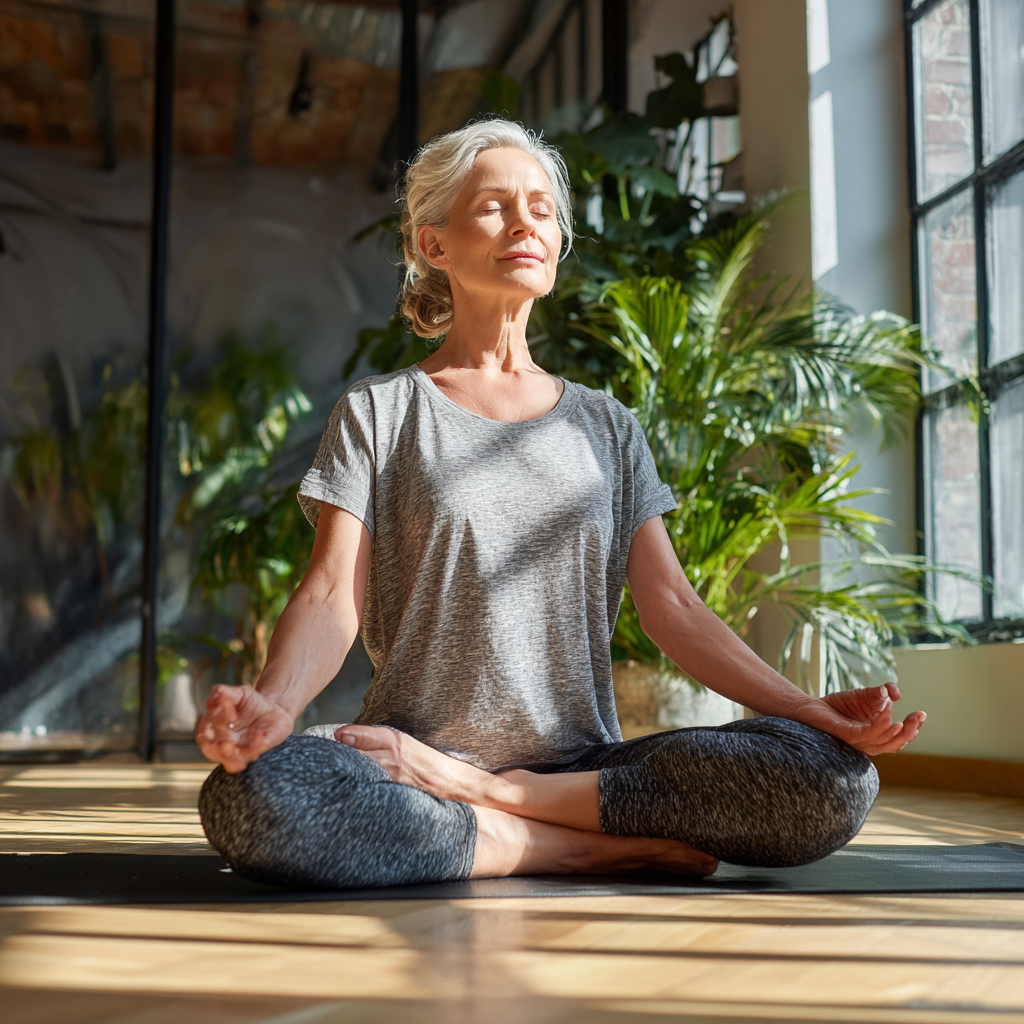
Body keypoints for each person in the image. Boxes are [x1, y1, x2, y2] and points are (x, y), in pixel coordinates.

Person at [195, 120, 925, 891]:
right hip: (409, 763)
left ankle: (503, 808)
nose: (525, 224)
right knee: (252, 798)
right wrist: (271, 705)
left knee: (834, 781)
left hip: (585, 767)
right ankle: (567, 847)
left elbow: (673, 606)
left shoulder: (607, 425)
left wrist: (809, 711)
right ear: (434, 245)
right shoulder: (381, 412)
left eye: (543, 210)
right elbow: (328, 594)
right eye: (494, 207)